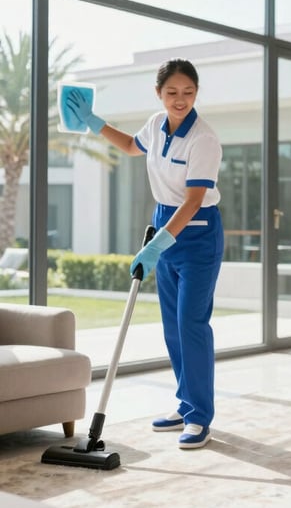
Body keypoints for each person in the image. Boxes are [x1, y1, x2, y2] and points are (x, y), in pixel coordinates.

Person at [66, 58, 224, 449]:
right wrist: (93, 121)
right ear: (158, 93)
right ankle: (186, 404)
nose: (180, 99)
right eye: (172, 92)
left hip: (198, 234)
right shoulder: (155, 125)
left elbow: (193, 201)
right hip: (165, 225)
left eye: (188, 92)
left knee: (191, 324)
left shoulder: (204, 139)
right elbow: (130, 146)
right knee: (172, 327)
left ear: (197, 93)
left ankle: (200, 417)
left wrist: (157, 245)